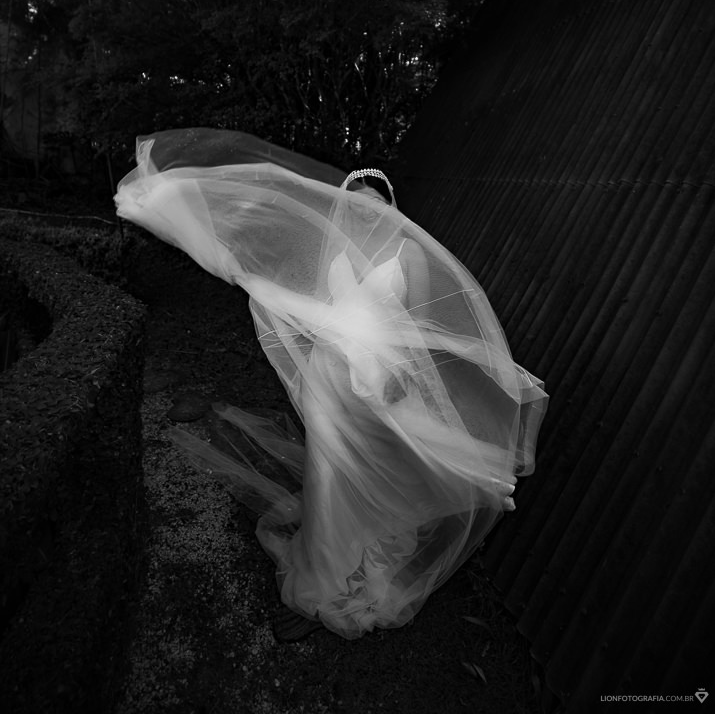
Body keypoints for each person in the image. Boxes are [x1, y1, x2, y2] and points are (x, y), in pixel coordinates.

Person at [115, 128, 548, 642]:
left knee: (387, 473)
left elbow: (418, 329)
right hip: (330, 383)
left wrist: (395, 372)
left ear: (389, 205)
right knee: (329, 479)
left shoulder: (409, 254)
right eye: (356, 205)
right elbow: (312, 307)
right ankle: (321, 580)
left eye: (373, 205)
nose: (364, 213)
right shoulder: (335, 253)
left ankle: (378, 548)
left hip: (381, 382)